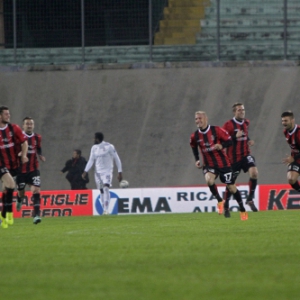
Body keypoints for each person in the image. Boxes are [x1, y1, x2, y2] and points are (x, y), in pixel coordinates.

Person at [190, 111, 248, 220]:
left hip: (223, 164)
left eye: (200, 118)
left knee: (231, 187)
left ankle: (242, 209)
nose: (198, 121)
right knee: (209, 180)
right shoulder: (195, 135)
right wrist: (197, 159)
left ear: (206, 118)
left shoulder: (216, 130)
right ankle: (220, 201)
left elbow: (230, 141)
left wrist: (221, 145)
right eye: (196, 119)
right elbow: (193, 146)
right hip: (209, 164)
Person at [222, 103, 258, 213]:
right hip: (233, 159)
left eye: (243, 109)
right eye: (239, 110)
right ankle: (226, 204)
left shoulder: (246, 122)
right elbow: (223, 141)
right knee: (230, 183)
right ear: (234, 112)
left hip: (245, 155)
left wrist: (248, 140)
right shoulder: (228, 125)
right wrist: (234, 137)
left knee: (254, 172)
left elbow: (245, 134)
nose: (242, 111)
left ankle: (250, 198)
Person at [0, 106, 28, 229]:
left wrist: (24, 155)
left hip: (13, 165)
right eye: (6, 114)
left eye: (9, 113)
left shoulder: (14, 128)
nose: (8, 115)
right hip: (1, 164)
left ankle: (3, 216)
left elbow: (24, 142)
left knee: (7, 188)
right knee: (11, 185)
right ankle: (9, 214)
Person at [82, 132, 122, 215]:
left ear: (97, 139)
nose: (93, 140)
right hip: (97, 173)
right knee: (101, 191)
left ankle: (106, 210)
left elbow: (117, 159)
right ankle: (104, 209)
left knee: (106, 188)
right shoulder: (94, 148)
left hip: (107, 171)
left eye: (94, 138)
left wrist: (120, 172)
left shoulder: (109, 146)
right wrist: (85, 171)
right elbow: (91, 160)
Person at [16, 117, 46, 224]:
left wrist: (40, 155)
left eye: (31, 124)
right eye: (27, 124)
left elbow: (38, 148)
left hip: (33, 169)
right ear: (23, 125)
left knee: (36, 191)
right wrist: (18, 154)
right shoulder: (19, 137)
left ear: (33, 125)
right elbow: (14, 150)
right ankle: (19, 199)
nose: (29, 125)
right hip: (21, 170)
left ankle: (36, 215)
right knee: (21, 192)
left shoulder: (37, 137)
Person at [281, 111, 300, 191]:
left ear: (292, 120)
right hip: (296, 159)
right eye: (282, 121)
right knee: (291, 179)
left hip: (295, 158)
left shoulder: (299, 133)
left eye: (286, 121)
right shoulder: (285, 132)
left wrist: (294, 158)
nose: (283, 123)